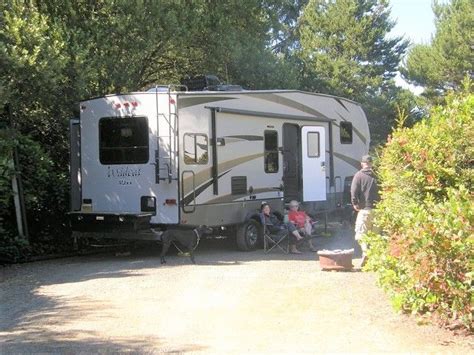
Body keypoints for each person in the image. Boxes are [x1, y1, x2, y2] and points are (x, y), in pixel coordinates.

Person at [350, 154, 380, 266]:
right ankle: (375, 259)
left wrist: (355, 203)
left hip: (365, 210)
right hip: (379, 210)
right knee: (376, 236)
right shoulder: (378, 175)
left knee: (360, 234)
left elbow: (353, 191)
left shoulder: (358, 175)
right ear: (371, 163)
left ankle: (366, 252)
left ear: (362, 164)